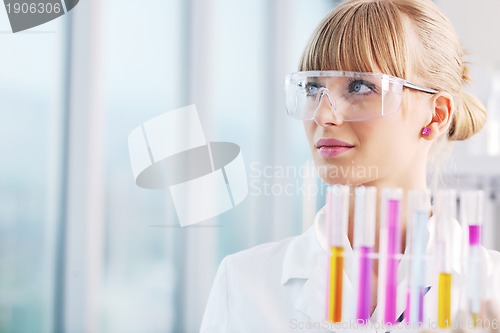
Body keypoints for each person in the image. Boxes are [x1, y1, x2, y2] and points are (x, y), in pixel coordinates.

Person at [200, 0, 500, 332]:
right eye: (314, 88)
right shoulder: (245, 285)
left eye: (360, 87)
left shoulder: (492, 291)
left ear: (436, 114)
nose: (323, 115)